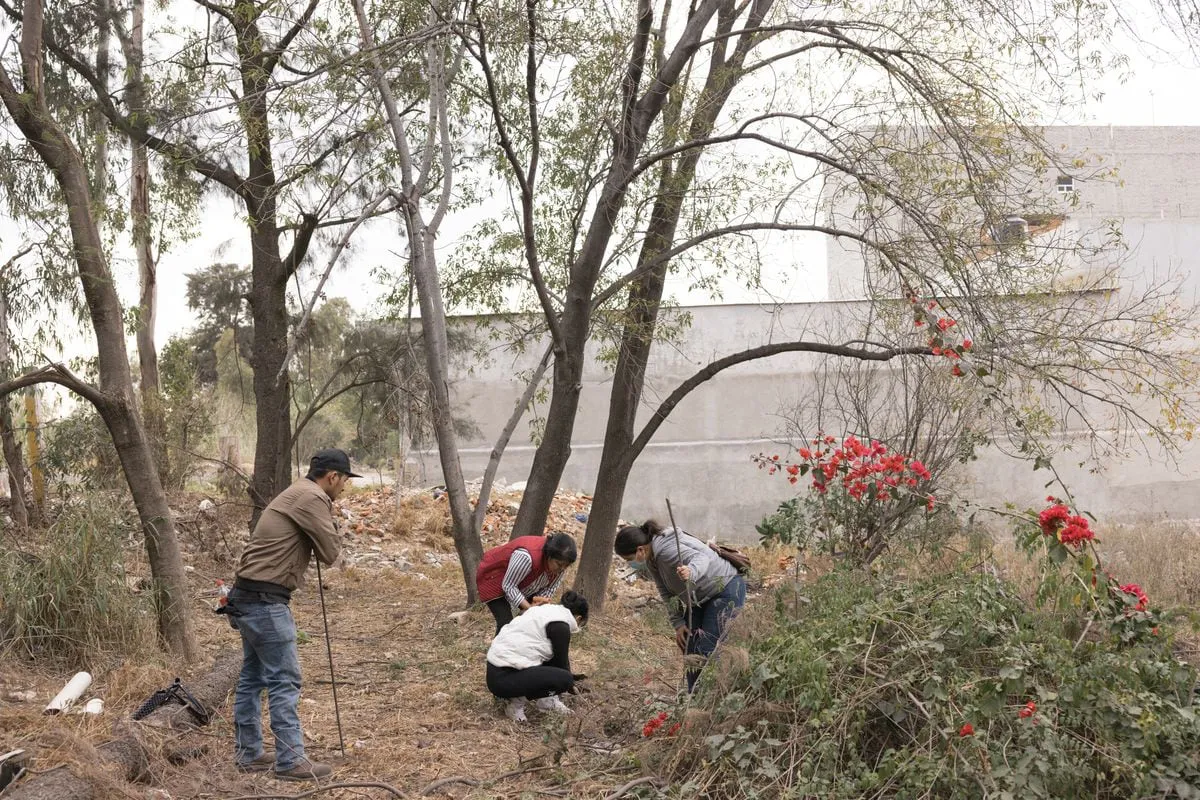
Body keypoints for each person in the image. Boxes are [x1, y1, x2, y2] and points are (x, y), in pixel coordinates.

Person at [223, 448, 359, 781]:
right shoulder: (312, 498)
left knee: (253, 679)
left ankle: (249, 753)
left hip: (246, 596)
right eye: (344, 480)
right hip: (266, 602)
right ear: (332, 477)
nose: (344, 487)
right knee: (284, 680)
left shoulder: (297, 491)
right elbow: (331, 552)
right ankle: (290, 760)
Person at [614, 519, 745, 692]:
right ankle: (693, 698)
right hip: (699, 597)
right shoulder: (652, 559)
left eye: (629, 559)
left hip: (725, 588)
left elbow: (702, 558)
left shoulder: (666, 551)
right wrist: (678, 623)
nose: (629, 563)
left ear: (640, 549)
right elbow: (665, 591)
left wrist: (691, 571)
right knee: (690, 648)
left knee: (708, 649)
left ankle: (711, 696)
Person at [485, 590, 589, 722]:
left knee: (556, 668)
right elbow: (561, 664)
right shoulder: (561, 626)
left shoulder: (544, 611)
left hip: (495, 673)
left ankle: (547, 700)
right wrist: (569, 684)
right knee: (564, 679)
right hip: (504, 681)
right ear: (578, 618)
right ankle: (515, 703)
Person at [476, 532, 577, 633]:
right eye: (559, 564)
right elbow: (509, 585)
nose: (562, 569)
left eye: (566, 566)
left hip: (523, 585)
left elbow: (549, 589)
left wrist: (538, 603)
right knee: (506, 624)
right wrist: (530, 609)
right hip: (495, 578)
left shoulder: (560, 568)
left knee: (526, 623)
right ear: (549, 555)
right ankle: (501, 643)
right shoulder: (526, 556)